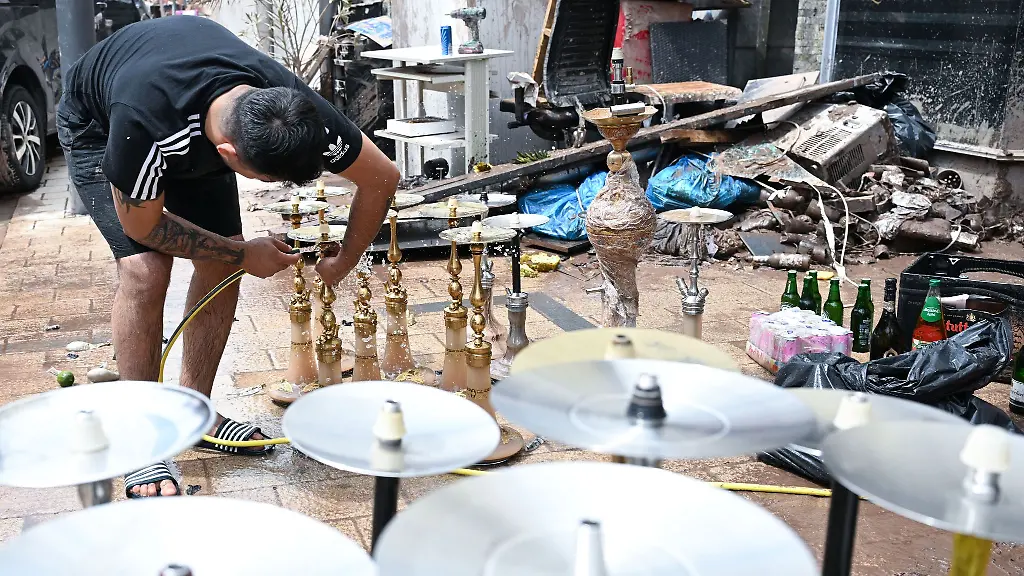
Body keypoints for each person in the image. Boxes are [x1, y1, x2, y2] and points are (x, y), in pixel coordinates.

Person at [57, 16, 398, 498]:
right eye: (262, 179)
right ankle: (144, 440)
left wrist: (342, 261)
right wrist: (243, 252)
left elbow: (382, 175)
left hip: (191, 116)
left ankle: (196, 411)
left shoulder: (284, 104)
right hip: (101, 124)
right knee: (145, 270)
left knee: (219, 262)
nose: (264, 187)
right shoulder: (143, 120)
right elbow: (146, 226)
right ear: (230, 154)